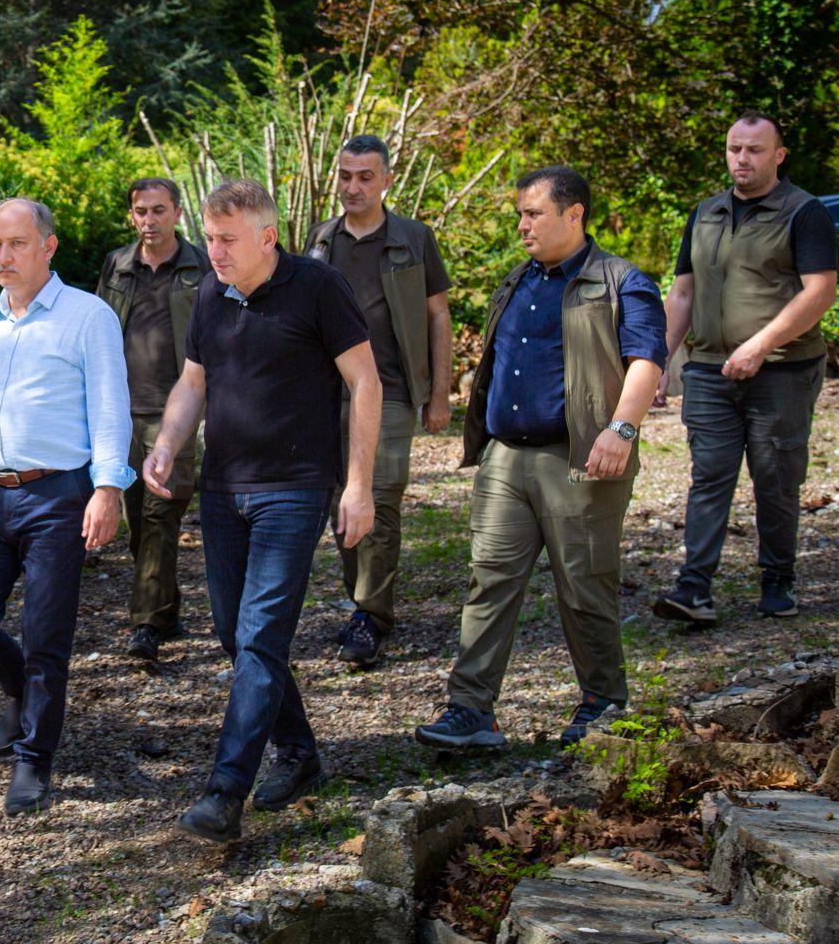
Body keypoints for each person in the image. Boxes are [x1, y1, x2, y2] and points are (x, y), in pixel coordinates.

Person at [143, 179, 380, 843]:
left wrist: (358, 485)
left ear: (267, 237)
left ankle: (225, 792)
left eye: (227, 240)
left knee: (259, 636)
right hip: (223, 488)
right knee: (235, 634)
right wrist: (166, 444)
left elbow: (365, 380)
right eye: (210, 238)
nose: (213, 251)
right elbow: (194, 381)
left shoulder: (317, 287)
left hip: (295, 488)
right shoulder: (209, 294)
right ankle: (299, 752)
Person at [413, 167, 666, 751]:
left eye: (534, 214)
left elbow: (647, 361)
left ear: (574, 215)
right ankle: (470, 711)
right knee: (489, 582)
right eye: (520, 214)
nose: (522, 225)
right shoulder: (517, 280)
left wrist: (621, 430)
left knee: (585, 586)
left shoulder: (622, 281)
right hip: (505, 459)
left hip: (580, 460)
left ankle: (603, 705)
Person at [0, 197, 133, 817]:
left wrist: (108, 488)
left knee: (46, 633)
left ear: (48, 246)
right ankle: (21, 692)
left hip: (57, 495)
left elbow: (111, 407)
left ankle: (33, 758)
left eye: (17, 244)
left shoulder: (88, 316)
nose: (4, 256)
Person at [652, 113, 837, 623]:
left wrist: (761, 344)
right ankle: (694, 588)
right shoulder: (705, 213)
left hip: (783, 370)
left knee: (775, 479)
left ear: (779, 155)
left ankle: (778, 578)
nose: (743, 159)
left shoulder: (803, 212)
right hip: (709, 371)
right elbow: (683, 293)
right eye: (735, 148)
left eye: (755, 149)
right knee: (709, 475)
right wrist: (659, 360)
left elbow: (820, 292)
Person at [306, 134, 453, 668]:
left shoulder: (414, 238)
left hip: (389, 389)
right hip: (327, 393)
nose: (354, 187)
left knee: (380, 498)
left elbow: (438, 315)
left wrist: (439, 393)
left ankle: (371, 614)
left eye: (366, 177)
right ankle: (360, 601)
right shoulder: (321, 240)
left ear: (387, 180)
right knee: (340, 502)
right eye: (345, 176)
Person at [97, 177, 212, 662]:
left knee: (160, 514)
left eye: (159, 210)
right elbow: (99, 329)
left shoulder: (202, 266)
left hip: (177, 414)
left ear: (178, 213)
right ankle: (165, 607)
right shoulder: (117, 266)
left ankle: (146, 624)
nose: (150, 220)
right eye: (141, 211)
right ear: (132, 216)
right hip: (122, 412)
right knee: (137, 521)